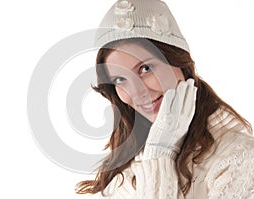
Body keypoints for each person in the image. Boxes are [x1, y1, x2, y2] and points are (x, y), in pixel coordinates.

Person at [76, 0, 254, 198]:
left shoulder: (238, 157)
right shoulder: (123, 169)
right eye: (120, 79)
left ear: (179, 62)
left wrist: (160, 155)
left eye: (145, 69)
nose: (137, 92)